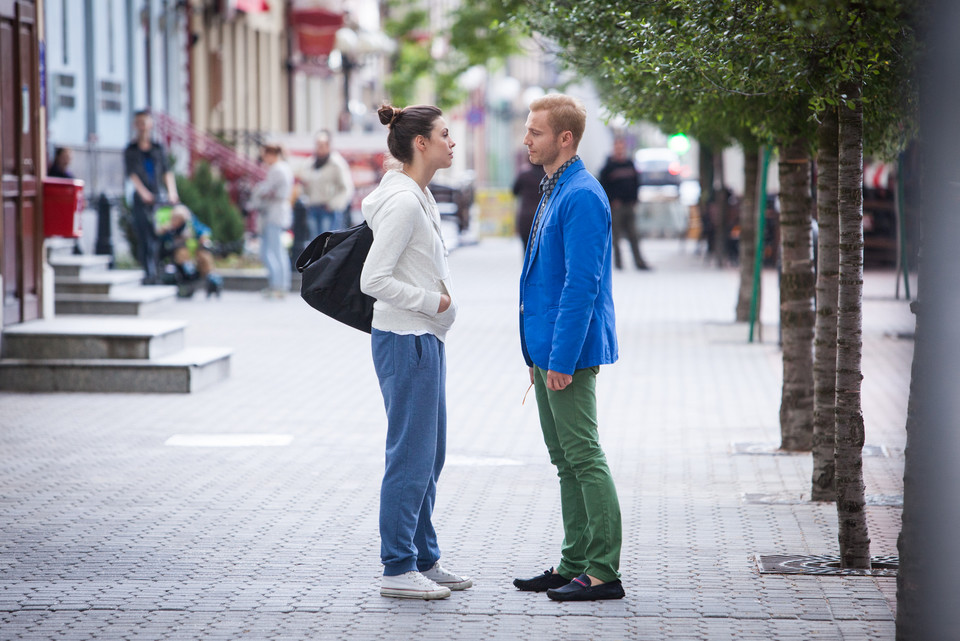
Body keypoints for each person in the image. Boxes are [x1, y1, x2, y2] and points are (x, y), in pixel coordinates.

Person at [513, 94, 624, 602]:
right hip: (547, 349)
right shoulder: (554, 187)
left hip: (569, 352)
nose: (526, 139)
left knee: (584, 456)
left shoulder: (581, 195)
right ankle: (573, 562)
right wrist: (536, 355)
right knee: (564, 459)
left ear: (565, 138)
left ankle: (603, 571)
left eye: (535, 132)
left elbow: (582, 284)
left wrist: (558, 359)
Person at [359, 103, 470, 600]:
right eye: (445, 134)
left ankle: (424, 557)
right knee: (411, 455)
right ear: (420, 143)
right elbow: (373, 279)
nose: (453, 142)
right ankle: (398, 566)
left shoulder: (415, 193)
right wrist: (435, 301)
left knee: (431, 454)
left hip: (425, 339)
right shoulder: (404, 202)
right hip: (407, 338)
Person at [124, 109, 179, 284]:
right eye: (138, 123)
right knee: (144, 236)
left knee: (160, 236)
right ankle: (149, 272)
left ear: (150, 124)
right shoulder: (131, 150)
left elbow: (166, 171)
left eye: (144, 122)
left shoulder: (158, 148)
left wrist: (172, 192)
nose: (142, 126)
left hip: (159, 198)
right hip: (141, 199)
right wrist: (144, 194)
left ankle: (158, 269)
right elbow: (132, 174)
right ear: (135, 125)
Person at [249, 143, 294, 298]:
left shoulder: (278, 170)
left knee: (274, 250)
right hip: (275, 214)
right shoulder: (282, 168)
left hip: (274, 214)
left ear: (270, 154)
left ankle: (279, 286)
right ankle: (278, 285)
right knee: (273, 250)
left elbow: (269, 190)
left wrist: (260, 191)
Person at [599, 138, 649, 270]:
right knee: (616, 237)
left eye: (622, 148)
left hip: (629, 205)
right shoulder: (608, 168)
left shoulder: (630, 164)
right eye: (617, 147)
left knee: (634, 235)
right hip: (616, 207)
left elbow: (637, 183)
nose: (620, 150)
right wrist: (611, 201)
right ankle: (618, 263)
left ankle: (639, 262)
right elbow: (603, 187)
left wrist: (635, 199)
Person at [155, 204, 223, 298]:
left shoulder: (190, 225)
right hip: (180, 255)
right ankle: (187, 277)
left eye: (178, 219)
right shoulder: (169, 229)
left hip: (194, 252)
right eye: (174, 218)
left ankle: (212, 279)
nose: (176, 221)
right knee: (182, 254)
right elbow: (160, 238)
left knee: (205, 256)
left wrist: (204, 239)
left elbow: (204, 231)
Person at [298, 130, 355, 235]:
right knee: (314, 242)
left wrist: (334, 205)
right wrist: (306, 199)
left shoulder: (337, 164)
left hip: (329, 210)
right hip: (313, 208)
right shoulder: (309, 164)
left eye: (322, 145)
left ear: (328, 146)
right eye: (318, 145)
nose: (319, 148)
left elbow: (346, 188)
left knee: (327, 242)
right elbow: (304, 185)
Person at [512, 155, 545, 248]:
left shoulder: (524, 175)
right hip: (543, 217)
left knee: (526, 250)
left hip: (526, 218)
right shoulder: (549, 176)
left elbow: (514, 191)